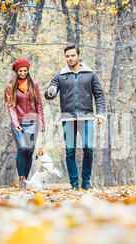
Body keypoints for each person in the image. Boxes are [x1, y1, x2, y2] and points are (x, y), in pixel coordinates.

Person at [44, 44, 106, 191]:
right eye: (67, 56)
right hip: (68, 118)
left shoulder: (90, 73)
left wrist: (101, 113)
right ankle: (74, 184)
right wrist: (50, 91)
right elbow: (49, 94)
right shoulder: (60, 75)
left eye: (73, 55)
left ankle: (86, 182)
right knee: (70, 151)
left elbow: (99, 95)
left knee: (88, 148)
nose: (70, 58)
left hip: (87, 117)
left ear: (78, 55)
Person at [4, 58, 45, 189]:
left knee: (30, 151)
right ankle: (21, 178)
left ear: (28, 71)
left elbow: (39, 105)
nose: (23, 73)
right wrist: (15, 122)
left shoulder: (34, 85)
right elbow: (11, 106)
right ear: (16, 72)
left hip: (33, 122)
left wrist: (42, 125)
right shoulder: (10, 87)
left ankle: (25, 181)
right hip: (19, 123)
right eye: (20, 71)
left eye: (25, 71)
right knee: (22, 148)